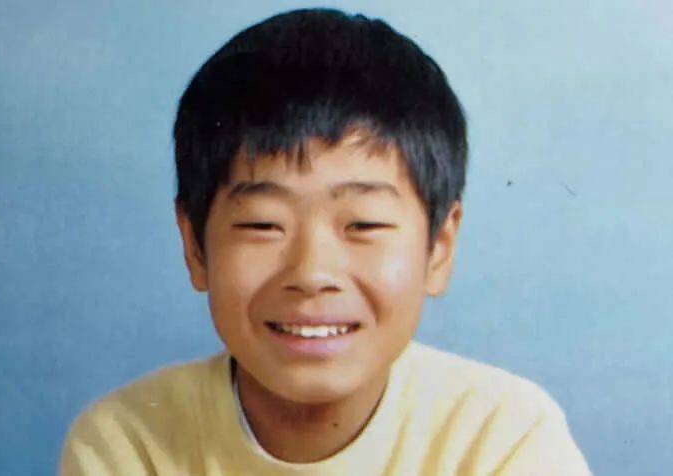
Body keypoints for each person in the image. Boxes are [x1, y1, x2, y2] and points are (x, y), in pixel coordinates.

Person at [60, 8, 591, 475]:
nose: (312, 273)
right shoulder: (128, 444)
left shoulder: (502, 435)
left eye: (363, 225)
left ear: (440, 247)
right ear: (195, 246)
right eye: (263, 225)